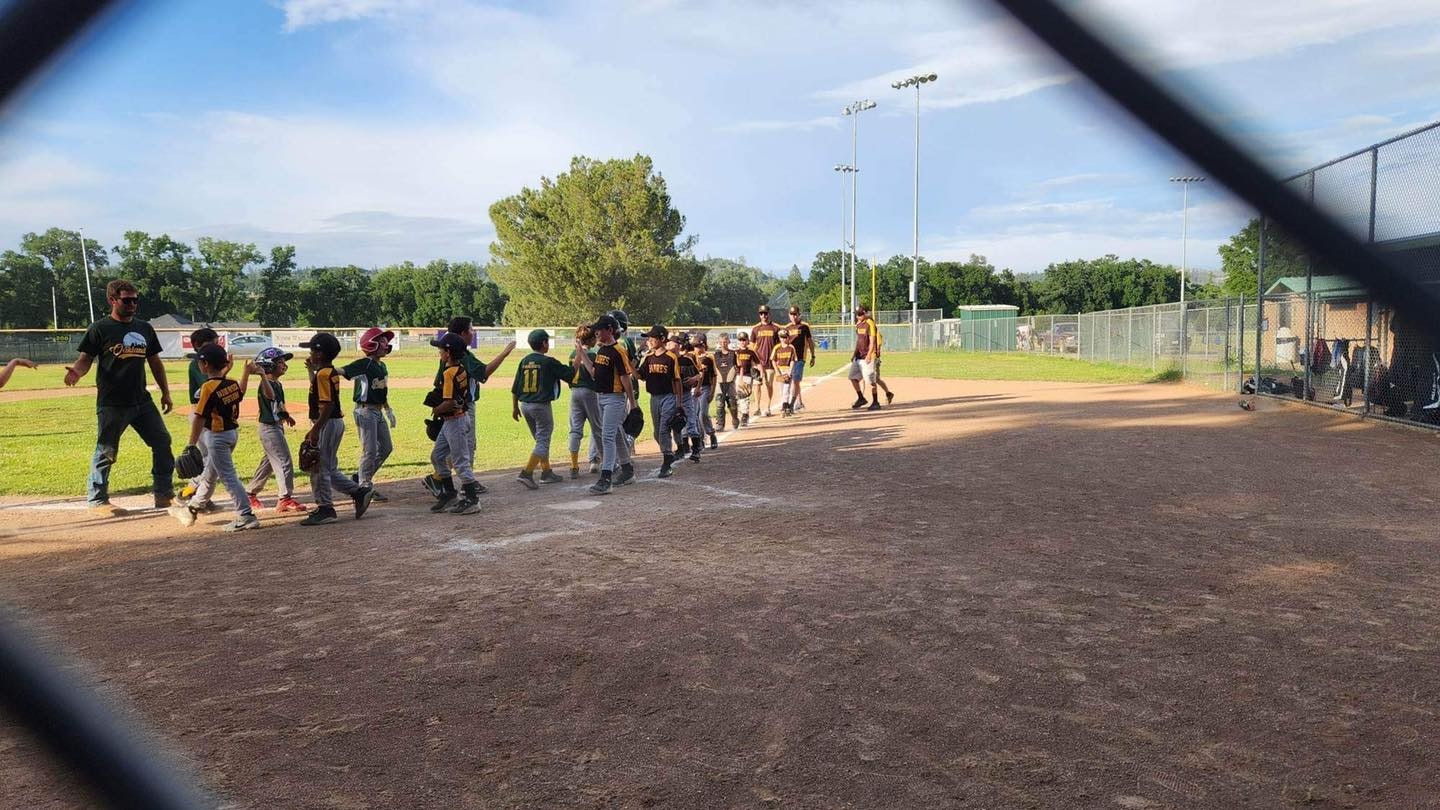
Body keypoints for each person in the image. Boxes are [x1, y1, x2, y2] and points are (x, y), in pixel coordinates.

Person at [64, 279, 175, 516]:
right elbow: (85, 359)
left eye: (135, 299)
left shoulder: (145, 328)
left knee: (162, 442)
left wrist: (165, 392)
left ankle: (164, 494)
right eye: (127, 300)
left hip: (142, 401)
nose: (133, 304)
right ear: (112, 300)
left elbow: (154, 361)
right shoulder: (100, 328)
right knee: (106, 451)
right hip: (113, 402)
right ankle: (97, 500)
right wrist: (77, 372)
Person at [167, 343, 259, 532]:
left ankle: (246, 515)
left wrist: (191, 444)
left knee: (229, 477)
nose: (199, 365)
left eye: (200, 362)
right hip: (232, 434)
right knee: (209, 475)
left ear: (205, 364)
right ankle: (192, 509)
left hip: (217, 437)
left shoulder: (207, 387)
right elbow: (240, 393)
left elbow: (200, 417)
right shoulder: (231, 383)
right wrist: (246, 373)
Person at [431, 317, 516, 495]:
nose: (473, 333)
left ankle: (442, 481)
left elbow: (437, 381)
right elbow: (483, 373)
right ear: (462, 334)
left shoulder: (450, 354)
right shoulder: (462, 355)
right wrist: (504, 353)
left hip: (452, 407)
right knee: (465, 448)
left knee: (447, 448)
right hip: (462, 407)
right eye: (471, 329)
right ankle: (464, 488)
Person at [299, 332, 375, 526]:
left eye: (312, 350)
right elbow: (321, 394)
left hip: (327, 422)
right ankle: (358, 492)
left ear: (320, 354)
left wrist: (315, 429)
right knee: (329, 467)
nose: (310, 354)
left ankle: (325, 508)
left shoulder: (323, 374)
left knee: (319, 467)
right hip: (333, 423)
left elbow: (327, 405)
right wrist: (312, 371)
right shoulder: (327, 372)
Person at [571, 314, 636, 495]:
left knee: (607, 436)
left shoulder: (618, 351)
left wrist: (633, 402)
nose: (596, 332)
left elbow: (625, 377)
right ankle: (628, 470)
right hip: (601, 397)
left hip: (615, 398)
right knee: (614, 434)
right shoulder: (601, 351)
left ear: (610, 329)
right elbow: (593, 372)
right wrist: (581, 353)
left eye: (600, 329)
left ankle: (606, 478)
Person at [245, 347, 308, 513]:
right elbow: (270, 396)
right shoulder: (266, 383)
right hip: (269, 428)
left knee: (269, 463)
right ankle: (285, 498)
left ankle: (250, 493)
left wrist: (286, 415)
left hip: (276, 426)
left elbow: (277, 404)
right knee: (284, 461)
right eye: (280, 362)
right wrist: (262, 375)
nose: (283, 365)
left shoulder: (277, 383)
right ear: (269, 365)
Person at [427, 332, 482, 514]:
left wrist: (436, 410)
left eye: (441, 350)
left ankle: (472, 499)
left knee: (460, 462)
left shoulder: (450, 372)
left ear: (448, 353)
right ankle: (449, 493)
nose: (439, 353)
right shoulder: (460, 369)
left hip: (455, 421)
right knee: (437, 456)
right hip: (454, 420)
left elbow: (450, 401)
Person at [510, 329, 572, 489]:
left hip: (525, 405)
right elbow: (570, 374)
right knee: (543, 440)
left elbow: (515, 387)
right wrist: (578, 358)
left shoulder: (524, 360)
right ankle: (527, 472)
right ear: (544, 343)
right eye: (547, 341)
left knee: (540, 440)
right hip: (541, 406)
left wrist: (515, 407)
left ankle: (546, 471)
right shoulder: (548, 361)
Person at [342, 327, 396, 501]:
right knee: (370, 451)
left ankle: (360, 479)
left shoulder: (382, 365)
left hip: (378, 411)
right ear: (371, 344)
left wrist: (388, 409)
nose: (385, 344)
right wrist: (319, 368)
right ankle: (365, 487)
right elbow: (342, 371)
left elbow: (381, 390)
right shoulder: (364, 364)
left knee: (386, 448)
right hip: (365, 411)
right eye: (381, 341)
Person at [180, 327, 230, 507]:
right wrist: (225, 372)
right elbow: (209, 386)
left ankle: (199, 495)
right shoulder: (197, 364)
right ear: (201, 345)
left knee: (209, 458)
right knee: (208, 458)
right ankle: (192, 491)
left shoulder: (208, 362)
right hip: (200, 414)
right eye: (214, 342)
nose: (217, 346)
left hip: (207, 414)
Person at [634, 324, 681, 478]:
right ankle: (669, 454)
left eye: (653, 337)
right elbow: (639, 375)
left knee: (663, 429)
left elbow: (677, 381)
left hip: (668, 396)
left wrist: (679, 404)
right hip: (654, 398)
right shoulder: (648, 358)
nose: (650, 340)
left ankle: (667, 462)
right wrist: (633, 360)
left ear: (662, 339)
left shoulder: (671, 358)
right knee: (656, 433)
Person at [566, 325, 603, 479]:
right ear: (591, 339)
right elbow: (595, 375)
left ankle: (574, 465)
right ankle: (596, 460)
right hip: (590, 392)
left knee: (575, 429)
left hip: (574, 392)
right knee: (597, 427)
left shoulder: (573, 353)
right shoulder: (593, 355)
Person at [849, 304, 892, 411]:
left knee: (872, 380)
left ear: (865, 313)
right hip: (859, 356)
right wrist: (854, 354)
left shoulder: (870, 323)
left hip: (868, 356)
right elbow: (858, 341)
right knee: (853, 378)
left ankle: (875, 402)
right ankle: (861, 398)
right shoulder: (858, 325)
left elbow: (873, 341)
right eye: (856, 314)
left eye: (859, 314)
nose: (857, 317)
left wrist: (869, 355)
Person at [672, 333, 704, 462]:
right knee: (675, 422)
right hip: (672, 396)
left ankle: (696, 449)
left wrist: (693, 380)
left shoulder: (686, 360)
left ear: (678, 345)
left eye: (671, 342)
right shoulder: (668, 360)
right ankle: (682, 447)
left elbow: (699, 375)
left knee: (690, 421)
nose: (668, 345)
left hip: (685, 395)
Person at [750, 305, 782, 417]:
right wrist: (753, 362)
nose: (763, 315)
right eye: (761, 313)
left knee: (769, 384)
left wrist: (778, 360)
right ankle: (758, 407)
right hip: (759, 362)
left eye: (765, 313)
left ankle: (768, 407)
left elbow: (779, 346)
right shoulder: (755, 329)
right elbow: (752, 347)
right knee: (757, 385)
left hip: (770, 362)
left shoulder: (776, 328)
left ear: (769, 313)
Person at [785, 305, 817, 412]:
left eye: (795, 314)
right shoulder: (787, 328)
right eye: (791, 314)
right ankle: (799, 402)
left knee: (795, 380)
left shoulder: (804, 327)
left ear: (799, 315)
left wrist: (813, 355)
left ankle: (792, 404)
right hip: (790, 359)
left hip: (800, 358)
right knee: (793, 381)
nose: (793, 316)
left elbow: (810, 342)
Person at [690, 332, 719, 449]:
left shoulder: (709, 358)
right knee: (695, 415)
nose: (696, 348)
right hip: (693, 388)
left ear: (703, 345)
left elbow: (714, 376)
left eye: (698, 346)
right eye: (695, 346)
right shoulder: (691, 357)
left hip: (705, 388)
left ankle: (711, 434)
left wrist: (712, 392)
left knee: (703, 414)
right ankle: (701, 439)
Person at [711, 333, 739, 431]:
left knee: (732, 402)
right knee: (719, 402)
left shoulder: (733, 354)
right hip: (719, 381)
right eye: (722, 342)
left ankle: (735, 419)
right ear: (719, 342)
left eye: (725, 341)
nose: (724, 343)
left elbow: (738, 366)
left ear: (728, 342)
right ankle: (720, 423)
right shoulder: (716, 355)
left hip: (730, 381)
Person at [734, 331, 759, 427]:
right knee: (737, 397)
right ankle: (743, 413)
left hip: (747, 376)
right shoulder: (736, 352)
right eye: (740, 340)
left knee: (743, 395)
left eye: (744, 339)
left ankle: (745, 415)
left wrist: (759, 375)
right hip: (736, 376)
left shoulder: (751, 352)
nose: (742, 341)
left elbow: (757, 364)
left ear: (748, 341)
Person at [772, 328, 799, 416]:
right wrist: (777, 371)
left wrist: (790, 372)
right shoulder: (777, 347)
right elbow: (773, 360)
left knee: (786, 389)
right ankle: (786, 405)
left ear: (788, 337)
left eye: (785, 337)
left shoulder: (791, 348)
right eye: (781, 337)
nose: (783, 339)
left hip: (787, 369)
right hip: (780, 370)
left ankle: (784, 406)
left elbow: (793, 360)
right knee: (782, 389)